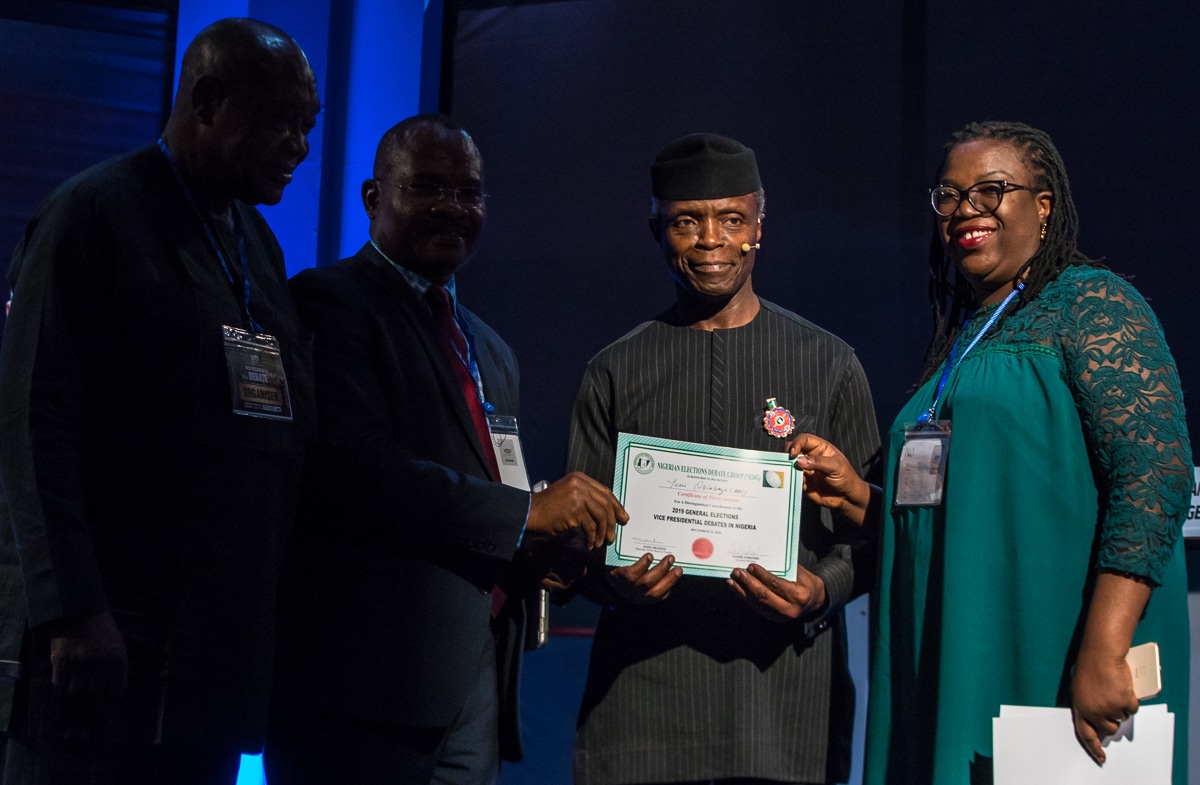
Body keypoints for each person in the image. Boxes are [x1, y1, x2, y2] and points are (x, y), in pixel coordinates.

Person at [790, 121, 1191, 785]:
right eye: (949, 196)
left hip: (1050, 637)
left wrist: (1103, 646)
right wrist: (861, 499)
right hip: (954, 639)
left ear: (1044, 205)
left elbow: (1154, 476)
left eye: (991, 190)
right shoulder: (965, 337)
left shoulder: (1092, 304)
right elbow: (963, 510)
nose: (966, 210)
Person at [0, 17, 320, 785]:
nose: (299, 147)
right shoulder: (94, 212)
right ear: (207, 101)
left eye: (309, 127)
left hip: (209, 666)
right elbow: (33, 423)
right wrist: (73, 608)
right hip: (101, 648)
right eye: (283, 120)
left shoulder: (258, 244)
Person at [263, 114, 628, 785]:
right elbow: (357, 469)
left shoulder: (490, 347)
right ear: (374, 197)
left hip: (475, 682)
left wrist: (544, 551)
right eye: (428, 187)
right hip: (363, 686)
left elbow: (492, 489)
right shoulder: (328, 303)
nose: (452, 208)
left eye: (468, 193)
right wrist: (526, 514)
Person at [563, 132, 881, 785]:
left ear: (759, 226)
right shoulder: (615, 371)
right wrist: (611, 579)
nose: (711, 240)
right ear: (657, 230)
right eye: (687, 221)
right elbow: (576, 541)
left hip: (784, 714)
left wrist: (822, 588)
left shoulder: (829, 364)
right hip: (644, 713)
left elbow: (877, 532)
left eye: (732, 219)